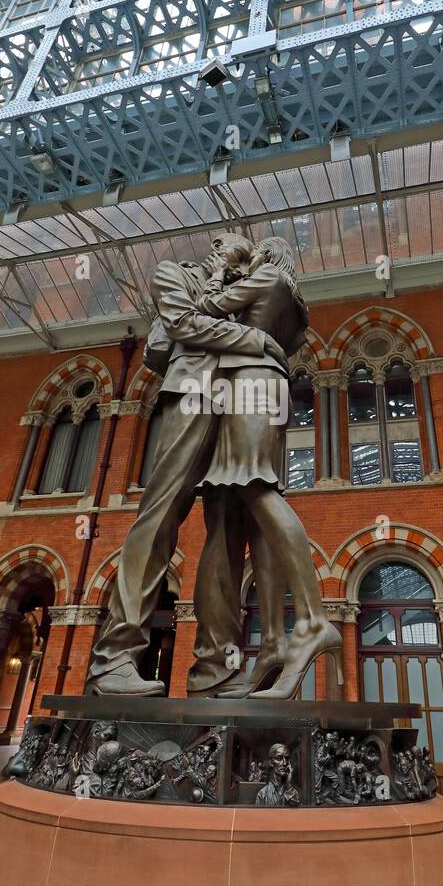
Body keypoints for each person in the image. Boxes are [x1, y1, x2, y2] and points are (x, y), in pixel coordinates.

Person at [86, 232, 286, 695]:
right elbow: (182, 324)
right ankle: (113, 659)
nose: (236, 264)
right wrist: (255, 338)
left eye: (243, 260)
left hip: (241, 400)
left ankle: (215, 668)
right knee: (162, 509)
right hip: (193, 392)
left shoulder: (246, 291)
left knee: (229, 527)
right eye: (231, 254)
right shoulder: (173, 273)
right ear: (214, 250)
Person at [188, 236, 341, 700]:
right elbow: (289, 343)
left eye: (252, 253)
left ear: (267, 256)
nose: (245, 257)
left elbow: (205, 308)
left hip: (251, 386)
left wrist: (218, 276)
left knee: (256, 490)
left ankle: (312, 621)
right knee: (256, 505)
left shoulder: (264, 277)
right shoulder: (292, 303)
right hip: (273, 387)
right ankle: (274, 638)